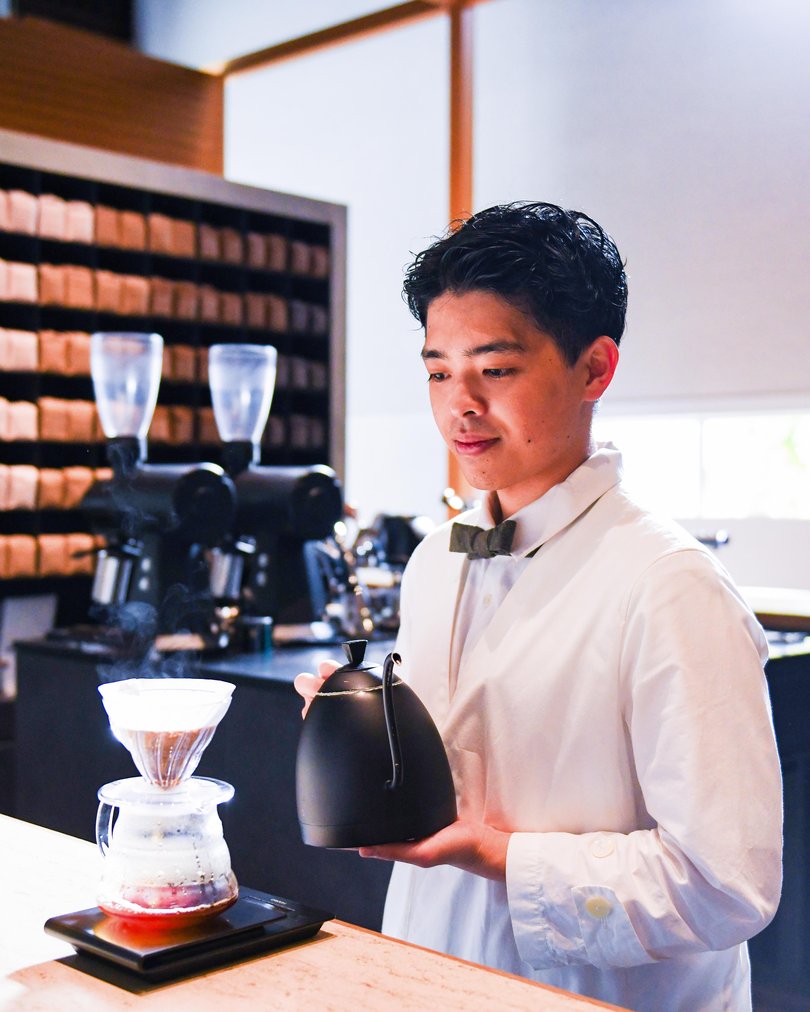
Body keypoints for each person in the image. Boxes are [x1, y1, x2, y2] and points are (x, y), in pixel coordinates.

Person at [295, 202, 782, 1011]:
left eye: (497, 368)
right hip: (428, 973)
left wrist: (498, 855)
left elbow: (726, 886)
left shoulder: (671, 587)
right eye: (439, 371)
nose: (460, 406)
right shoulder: (432, 562)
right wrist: (372, 740)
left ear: (594, 369)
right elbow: (461, 777)